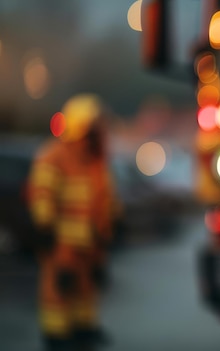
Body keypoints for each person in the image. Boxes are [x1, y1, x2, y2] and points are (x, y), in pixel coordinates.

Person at [27, 93, 119, 351]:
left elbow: (105, 199)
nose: (100, 132)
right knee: (57, 293)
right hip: (61, 243)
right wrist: (45, 228)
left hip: (90, 244)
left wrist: (110, 228)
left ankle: (83, 330)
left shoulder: (95, 160)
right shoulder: (54, 155)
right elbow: (42, 193)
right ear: (81, 126)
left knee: (85, 290)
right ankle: (57, 337)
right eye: (94, 126)